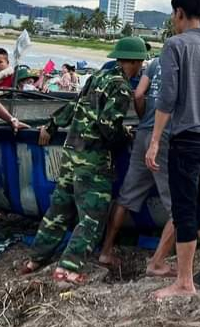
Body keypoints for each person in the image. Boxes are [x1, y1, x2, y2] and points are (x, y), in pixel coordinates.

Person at [21, 37, 145, 285]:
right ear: (134, 62)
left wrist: (52, 124)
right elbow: (108, 126)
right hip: (93, 160)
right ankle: (68, 268)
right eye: (140, 62)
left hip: (71, 154)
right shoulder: (120, 87)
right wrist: (127, 135)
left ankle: (35, 259)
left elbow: (74, 107)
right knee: (92, 216)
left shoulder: (95, 78)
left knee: (59, 209)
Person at [146, 0, 200, 299]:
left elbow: (167, 97)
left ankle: (184, 282)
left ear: (179, 12)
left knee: (184, 211)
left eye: (173, 14)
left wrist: (154, 141)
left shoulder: (175, 45)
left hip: (187, 141)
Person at [98, 42, 175, 277]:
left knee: (126, 196)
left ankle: (106, 251)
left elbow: (138, 94)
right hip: (164, 137)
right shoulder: (183, 65)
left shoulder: (153, 64)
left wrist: (144, 121)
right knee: (178, 206)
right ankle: (159, 262)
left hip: (143, 135)